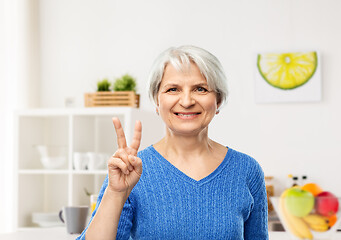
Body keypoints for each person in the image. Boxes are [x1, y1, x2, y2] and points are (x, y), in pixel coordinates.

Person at [77, 45, 268, 240]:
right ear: (156, 101)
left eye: (200, 89)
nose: (186, 101)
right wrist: (116, 193)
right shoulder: (130, 169)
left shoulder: (247, 170)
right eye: (173, 89)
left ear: (218, 101)